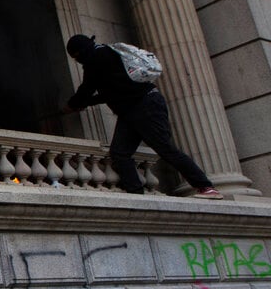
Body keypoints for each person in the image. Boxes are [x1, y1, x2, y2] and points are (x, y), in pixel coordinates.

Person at [63, 34, 223, 199]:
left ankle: (205, 186)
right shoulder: (107, 53)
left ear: (80, 52)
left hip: (144, 105)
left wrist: (73, 104)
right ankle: (137, 195)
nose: (78, 61)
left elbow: (87, 88)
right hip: (132, 109)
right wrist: (83, 103)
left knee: (164, 148)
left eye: (76, 57)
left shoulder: (97, 59)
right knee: (120, 152)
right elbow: (111, 92)